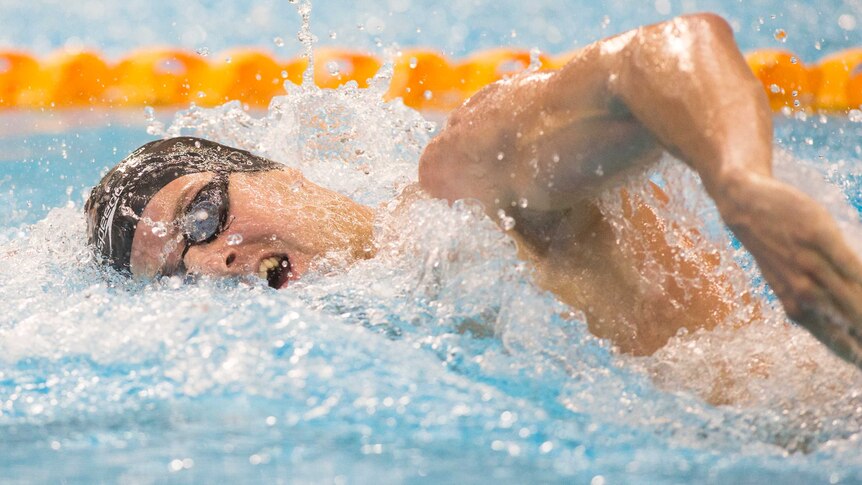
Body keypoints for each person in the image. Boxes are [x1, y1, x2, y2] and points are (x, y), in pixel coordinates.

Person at [85, 13, 862, 367]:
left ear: (278, 169)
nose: (213, 258)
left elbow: (667, 52)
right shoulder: (384, 344)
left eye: (202, 211)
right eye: (180, 270)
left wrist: (743, 186)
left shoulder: (462, 194)